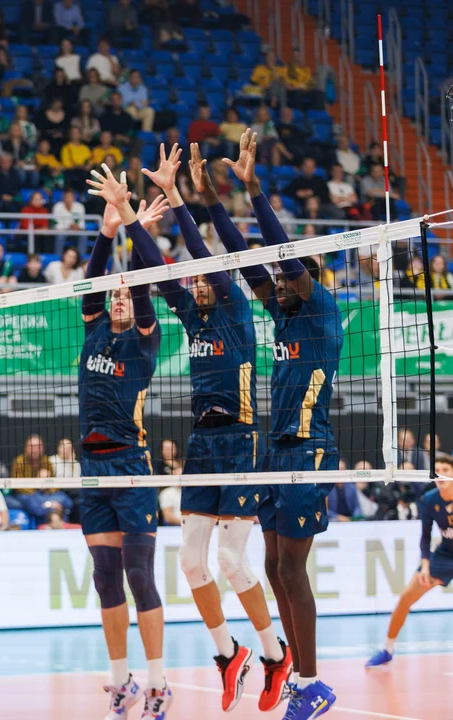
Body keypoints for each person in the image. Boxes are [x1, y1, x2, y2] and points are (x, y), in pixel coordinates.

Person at [130, 143, 281, 712]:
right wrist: (129, 217)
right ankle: (229, 654)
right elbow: (159, 266)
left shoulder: (237, 310)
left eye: (203, 278)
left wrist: (175, 197)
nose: (195, 282)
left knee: (233, 562)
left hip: (241, 438)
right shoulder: (192, 313)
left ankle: (274, 654)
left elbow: (197, 253)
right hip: (202, 441)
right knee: (191, 562)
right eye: (192, 281)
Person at [225, 130, 343, 718]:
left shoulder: (321, 311)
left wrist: (255, 190)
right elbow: (250, 266)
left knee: (291, 567)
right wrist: (214, 203)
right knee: (272, 567)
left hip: (307, 450)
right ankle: (300, 677)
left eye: (291, 274)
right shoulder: (285, 316)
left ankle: (313, 681)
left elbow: (285, 258)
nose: (281, 279)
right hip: (275, 450)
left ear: (309, 280)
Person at [84, 162, 172, 719]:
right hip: (93, 473)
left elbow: (141, 294)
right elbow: (97, 273)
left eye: (125, 295)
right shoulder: (93, 326)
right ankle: (122, 681)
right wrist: (110, 228)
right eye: (115, 294)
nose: (119, 298)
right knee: (104, 579)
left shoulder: (145, 340)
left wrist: (139, 239)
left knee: (141, 576)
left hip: (134, 469)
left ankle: (160, 682)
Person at [365, 455, 453, 667]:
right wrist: (425, 564)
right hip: (444, 555)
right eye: (437, 469)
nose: (440, 473)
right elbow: (425, 536)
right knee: (405, 598)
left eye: (446, 469)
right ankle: (387, 649)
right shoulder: (429, 500)